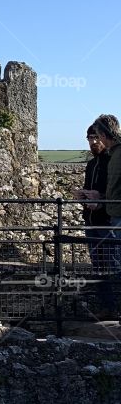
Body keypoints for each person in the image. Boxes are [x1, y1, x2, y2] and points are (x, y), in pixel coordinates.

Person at [73, 123, 114, 319]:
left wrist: (100, 200)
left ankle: (115, 308)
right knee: (99, 267)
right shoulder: (91, 164)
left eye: (96, 137)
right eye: (90, 138)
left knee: (112, 265)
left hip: (107, 221)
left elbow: (114, 194)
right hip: (91, 221)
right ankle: (106, 308)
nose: (93, 142)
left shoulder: (112, 161)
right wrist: (83, 197)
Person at [91, 114, 121, 320]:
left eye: (97, 136)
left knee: (117, 268)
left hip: (118, 218)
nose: (96, 141)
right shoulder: (115, 153)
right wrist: (100, 197)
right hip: (114, 216)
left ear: (102, 134)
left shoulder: (118, 154)